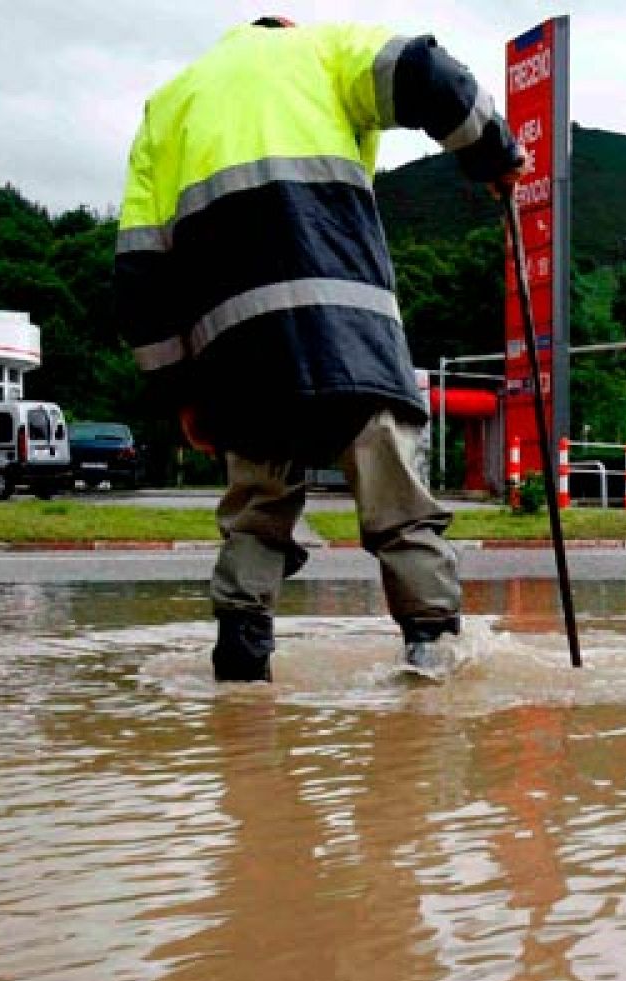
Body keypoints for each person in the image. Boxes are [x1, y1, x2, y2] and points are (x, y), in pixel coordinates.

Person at [115, 16, 525, 682]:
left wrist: (181, 394)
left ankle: (241, 674)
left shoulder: (168, 107)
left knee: (256, 515)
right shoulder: (325, 51)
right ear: (286, 27)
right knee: (398, 506)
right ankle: (433, 663)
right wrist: (495, 154)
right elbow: (429, 74)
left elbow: (139, 273)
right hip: (349, 334)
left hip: (239, 357)